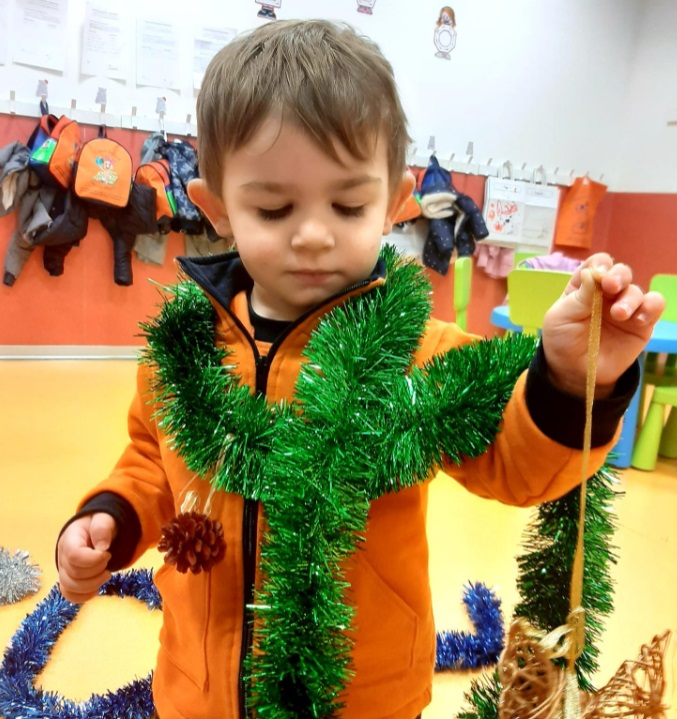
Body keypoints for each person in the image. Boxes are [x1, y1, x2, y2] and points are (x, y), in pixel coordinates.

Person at [55, 19, 665, 719]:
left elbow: (516, 462)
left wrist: (568, 377)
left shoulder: (418, 352)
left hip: (361, 695)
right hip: (199, 690)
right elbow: (151, 459)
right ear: (216, 208)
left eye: (348, 205)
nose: (314, 234)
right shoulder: (185, 350)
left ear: (394, 202)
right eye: (273, 208)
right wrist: (111, 515)